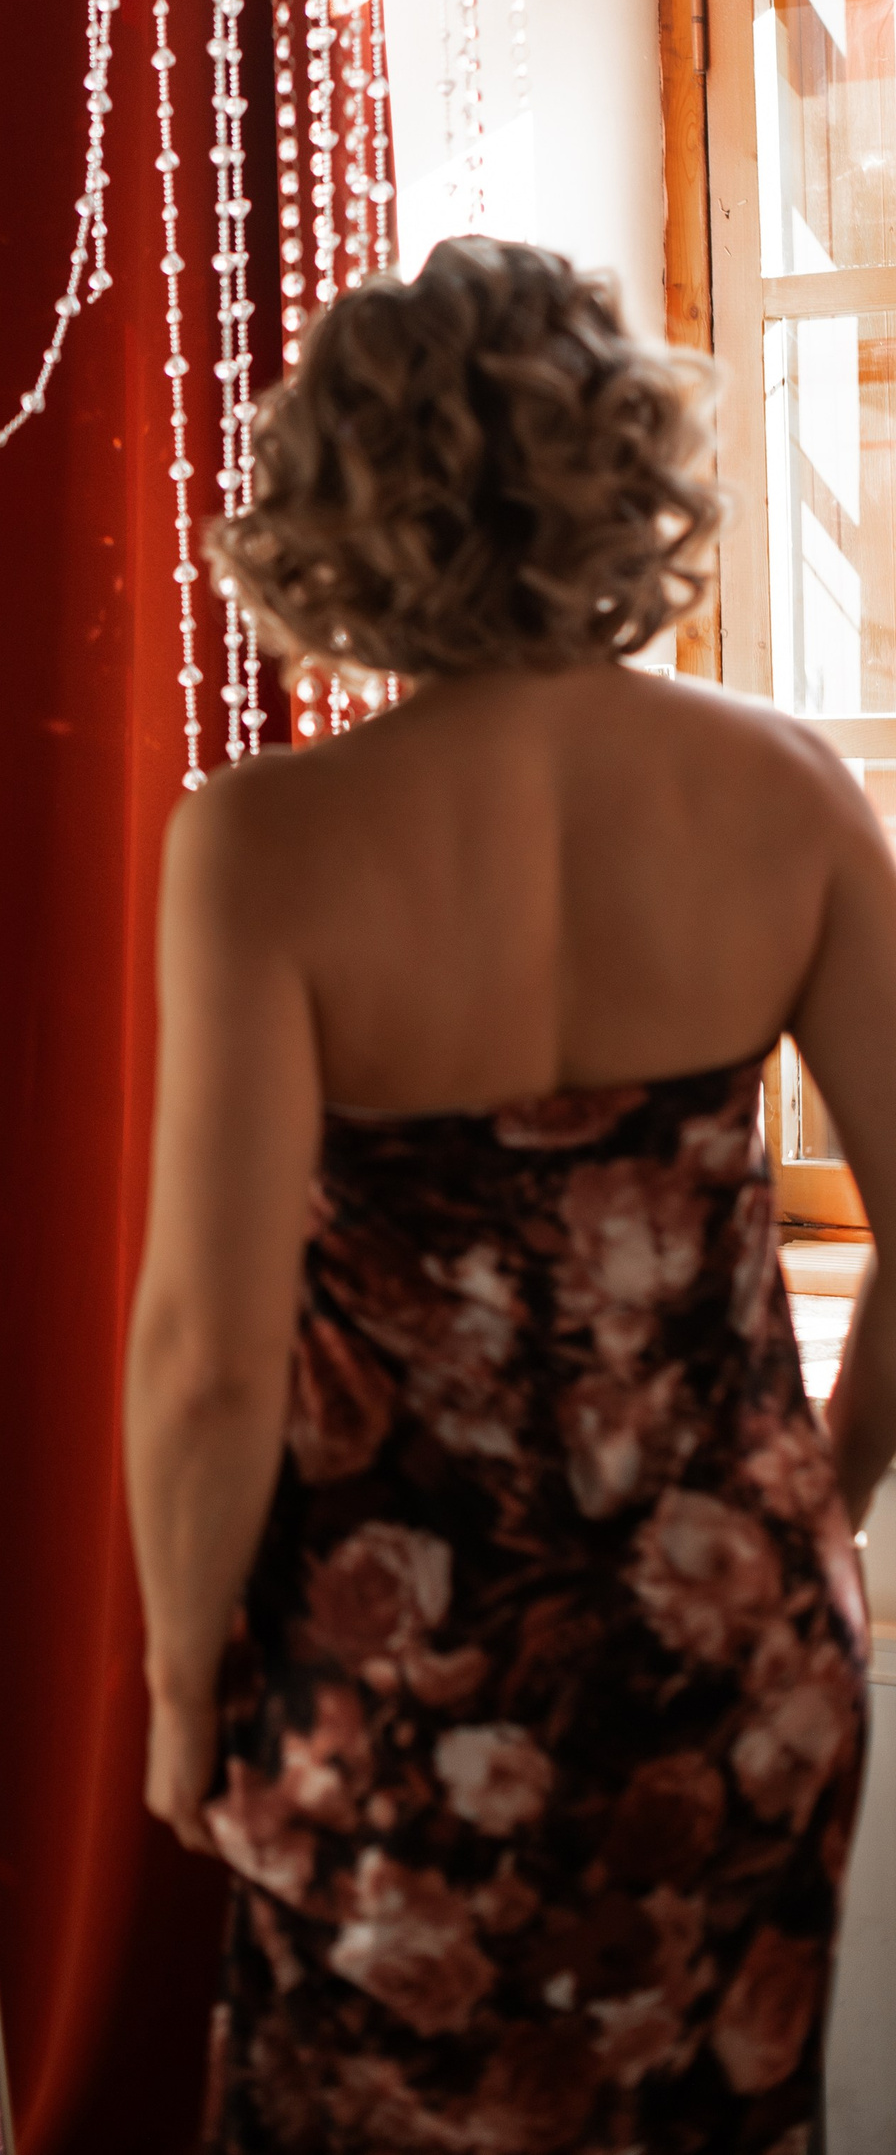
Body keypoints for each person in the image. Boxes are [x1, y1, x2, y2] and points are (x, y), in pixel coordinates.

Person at [126, 239, 894, 2152]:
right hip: (740, 1653)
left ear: (341, 499)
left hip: (402, 1685)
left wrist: (178, 1684)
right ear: (626, 468)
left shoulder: (263, 844)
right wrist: (814, 1509)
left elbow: (210, 1359)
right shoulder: (795, 794)